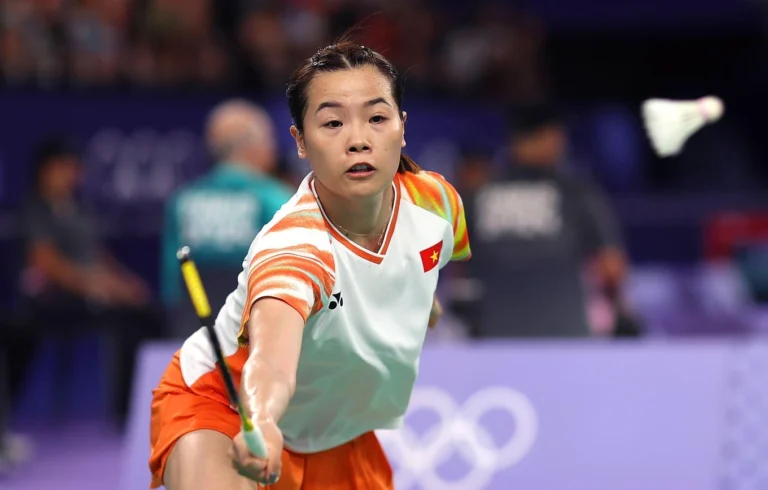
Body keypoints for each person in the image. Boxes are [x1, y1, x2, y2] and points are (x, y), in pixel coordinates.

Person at [149, 41, 471, 489]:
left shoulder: (437, 203)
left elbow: (419, 269)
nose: (358, 139)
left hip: (333, 428)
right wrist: (262, 419)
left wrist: (421, 305)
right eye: (333, 123)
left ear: (402, 127)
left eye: (377, 118)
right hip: (228, 406)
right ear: (300, 141)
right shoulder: (294, 248)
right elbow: (271, 363)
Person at [17, 137, 164, 425]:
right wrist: (94, 287)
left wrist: (124, 283)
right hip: (54, 298)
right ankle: (124, 412)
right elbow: (47, 263)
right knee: (126, 320)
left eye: (75, 168)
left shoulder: (78, 207)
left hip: (91, 292)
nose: (72, 175)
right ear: (45, 171)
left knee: (149, 316)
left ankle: (147, 402)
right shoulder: (35, 210)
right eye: (65, 168)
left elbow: (97, 255)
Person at [463, 102, 637, 338]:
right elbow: (611, 267)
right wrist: (620, 309)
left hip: (494, 338)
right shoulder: (575, 193)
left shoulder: (476, 194)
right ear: (548, 136)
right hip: (565, 338)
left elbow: (458, 270)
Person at [161, 99, 294, 338]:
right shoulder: (276, 200)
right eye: (269, 140)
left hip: (195, 337)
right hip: (256, 339)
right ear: (249, 147)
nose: (274, 149)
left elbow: (171, 287)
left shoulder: (183, 201)